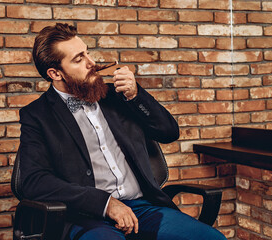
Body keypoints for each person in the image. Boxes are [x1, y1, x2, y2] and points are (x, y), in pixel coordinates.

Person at [19, 23, 227, 240]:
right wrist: (106, 204)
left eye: (87, 53)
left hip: (142, 208)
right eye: (79, 59)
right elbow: (34, 181)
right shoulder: (37, 115)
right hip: (86, 216)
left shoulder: (116, 96)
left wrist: (136, 95)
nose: (92, 63)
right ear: (55, 73)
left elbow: (169, 132)